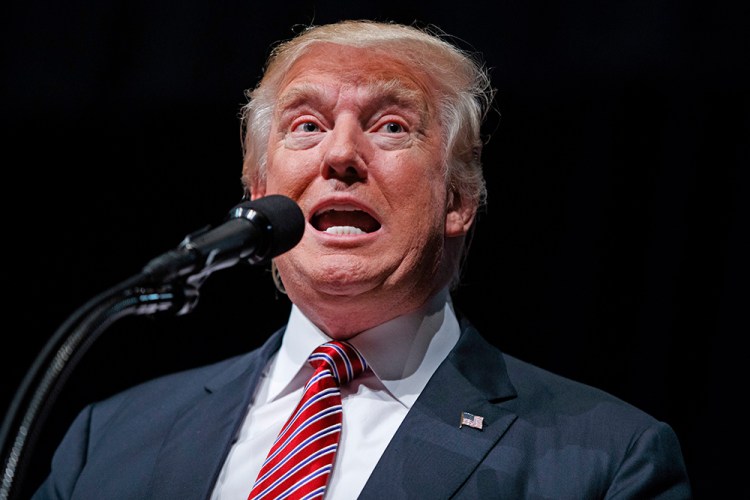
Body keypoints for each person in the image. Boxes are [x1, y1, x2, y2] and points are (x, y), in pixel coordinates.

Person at [32, 19, 691, 499]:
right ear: (259, 194)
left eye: (391, 126)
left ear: (459, 199)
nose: (339, 156)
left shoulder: (605, 461)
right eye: (307, 125)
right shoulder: (110, 439)